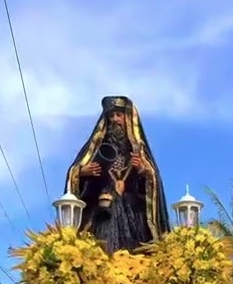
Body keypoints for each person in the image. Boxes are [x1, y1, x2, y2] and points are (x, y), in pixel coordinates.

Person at [65, 95, 170, 253]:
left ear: (127, 118)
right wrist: (81, 172)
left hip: (134, 217)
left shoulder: (139, 153)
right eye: (111, 116)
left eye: (119, 115)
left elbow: (151, 189)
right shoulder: (95, 150)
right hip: (103, 214)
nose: (115, 119)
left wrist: (145, 171)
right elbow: (78, 179)